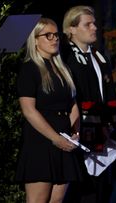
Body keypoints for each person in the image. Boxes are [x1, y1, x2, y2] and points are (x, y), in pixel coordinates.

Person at [15, 18, 83, 203]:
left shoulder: (63, 69)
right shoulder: (30, 69)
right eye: (48, 35)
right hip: (41, 141)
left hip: (64, 140)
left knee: (57, 200)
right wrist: (56, 139)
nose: (54, 39)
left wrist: (74, 132)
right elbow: (29, 110)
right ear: (35, 40)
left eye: (56, 35)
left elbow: (73, 104)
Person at [61, 5, 116, 203]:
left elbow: (109, 93)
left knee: (101, 190)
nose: (94, 27)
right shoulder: (66, 57)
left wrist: (111, 122)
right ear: (71, 29)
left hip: (101, 133)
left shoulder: (98, 56)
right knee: (80, 191)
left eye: (94, 23)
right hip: (78, 133)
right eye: (88, 24)